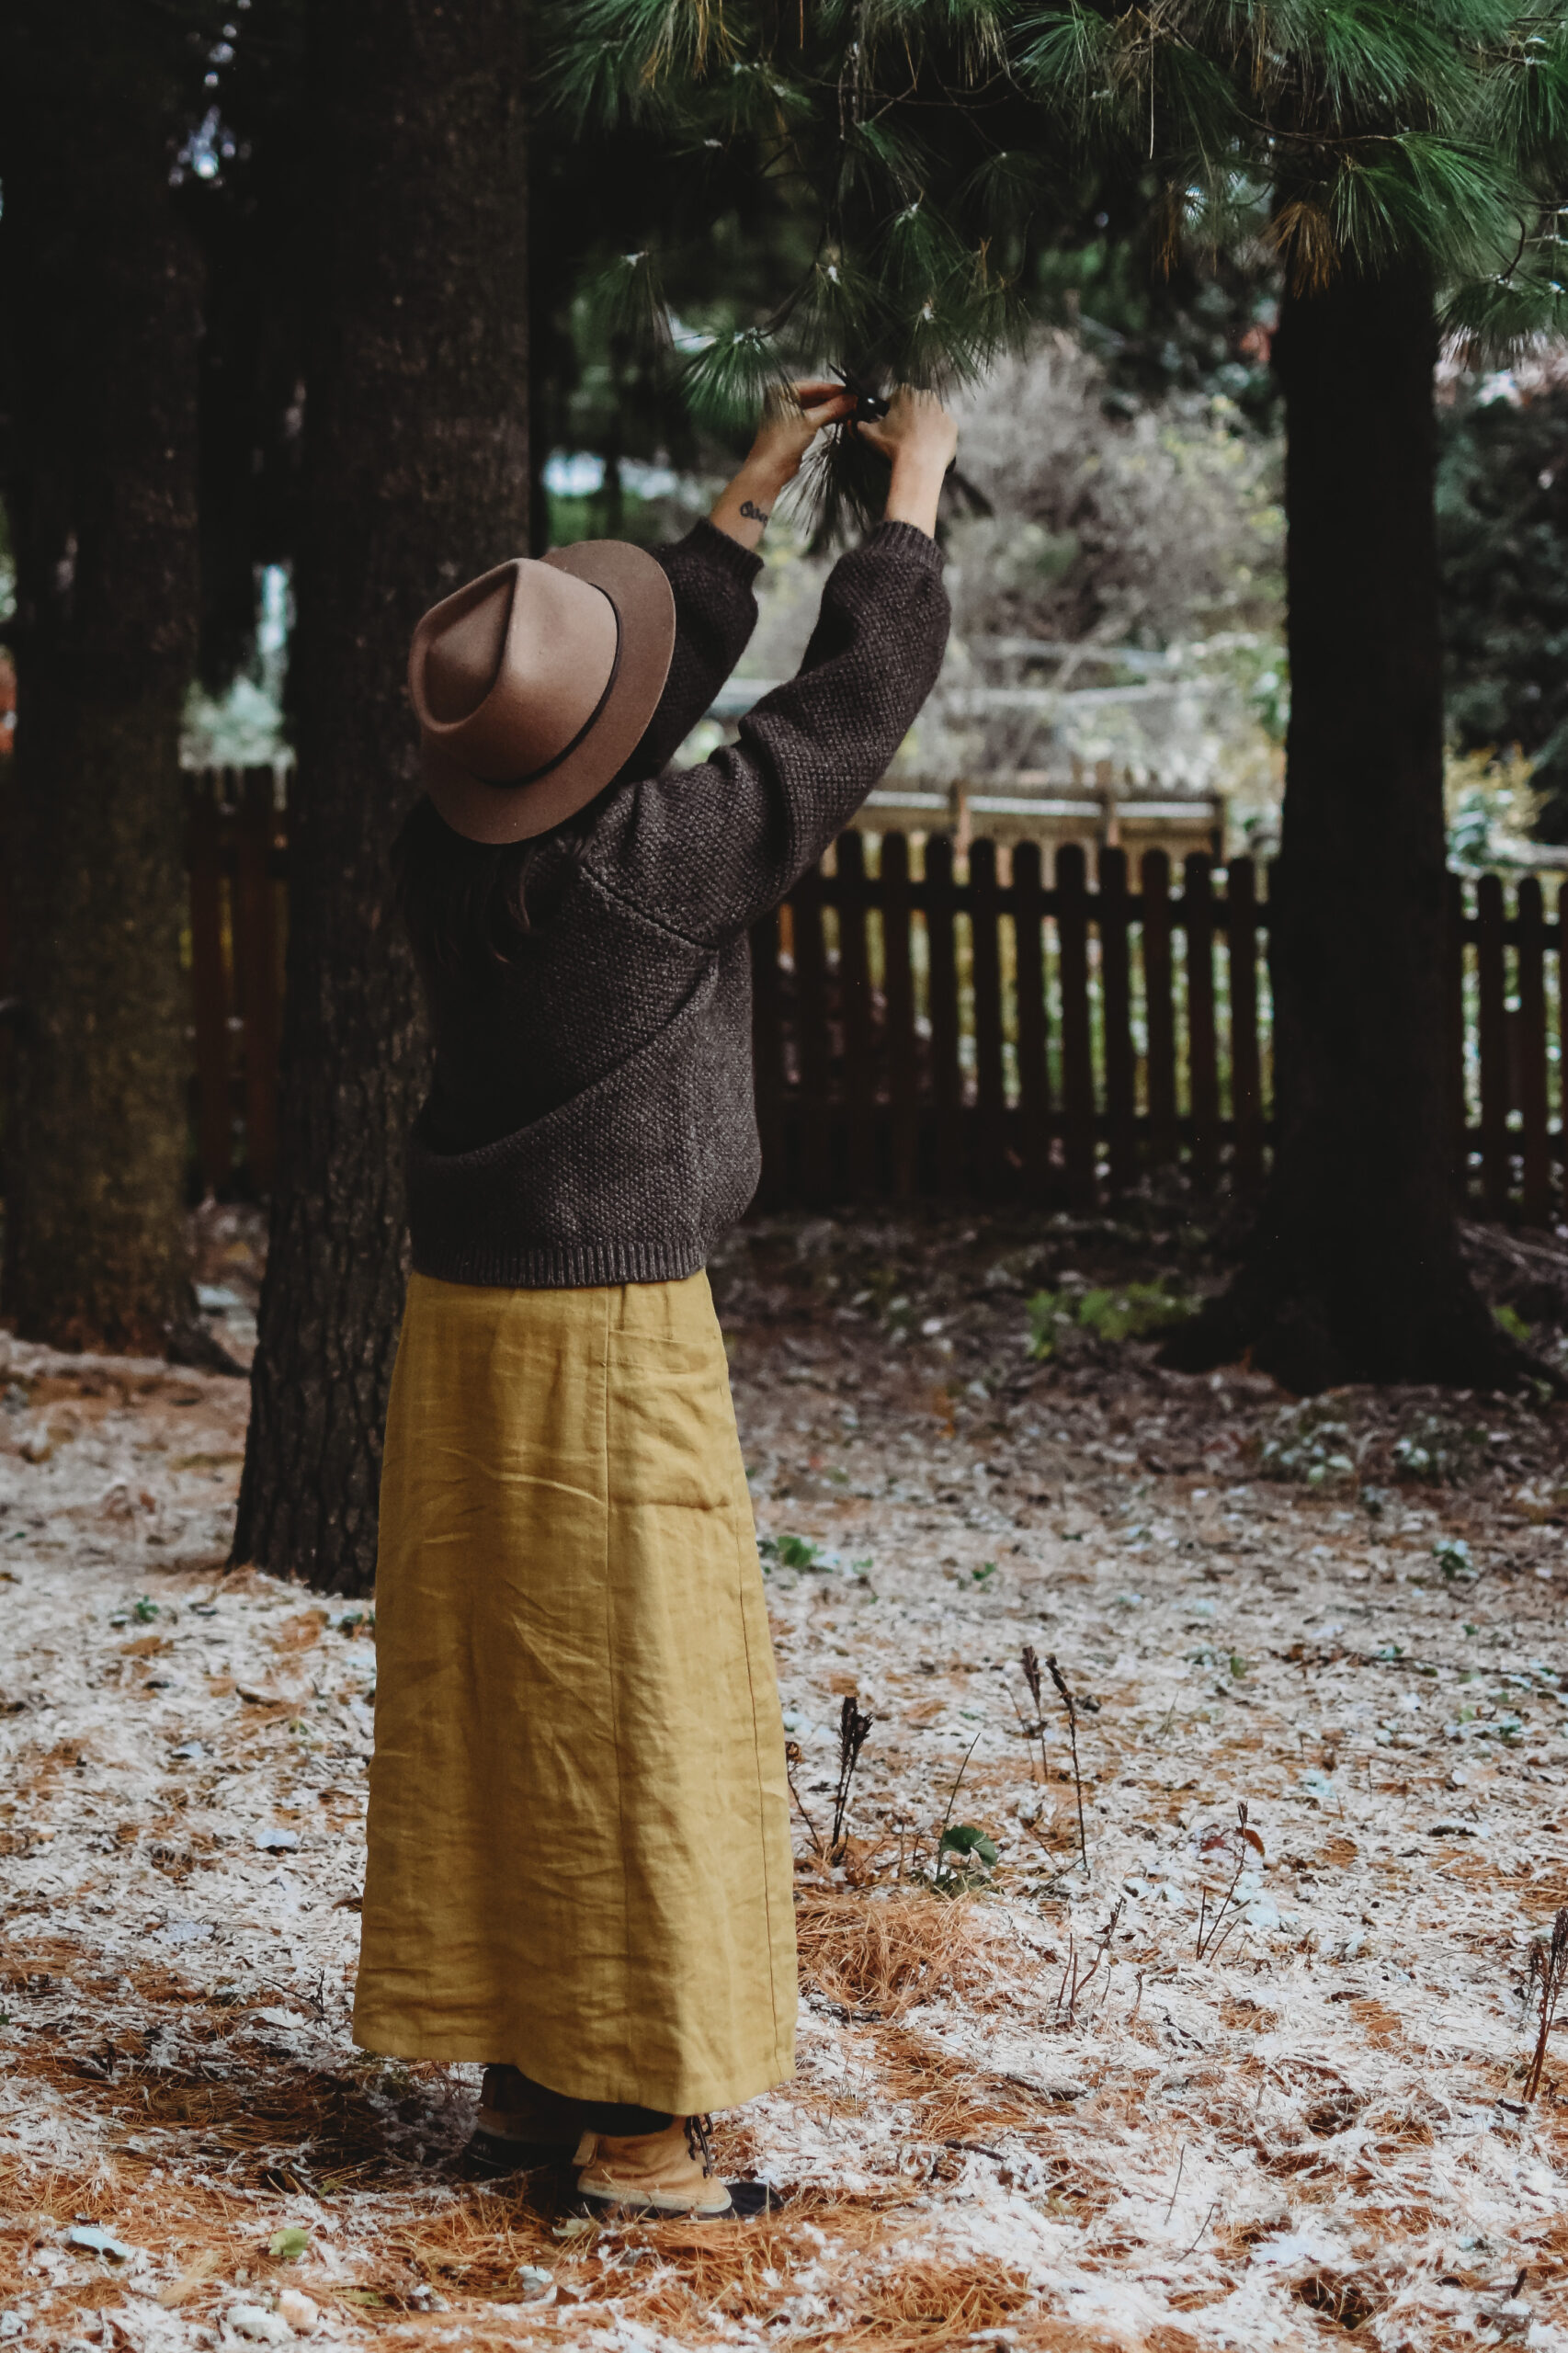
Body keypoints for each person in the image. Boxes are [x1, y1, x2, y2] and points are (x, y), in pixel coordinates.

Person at [352, 381, 957, 2219]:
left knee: (508, 1696)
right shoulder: (643, 871)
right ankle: (645, 2130)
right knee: (642, 1702)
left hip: (461, 1327)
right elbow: (832, 729)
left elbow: (606, 717)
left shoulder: (444, 846)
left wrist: (751, 499)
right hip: (611, 1333)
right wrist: (907, 501)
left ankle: (529, 2080)